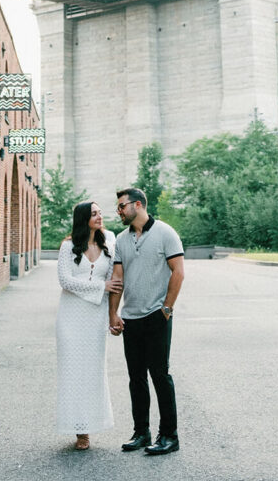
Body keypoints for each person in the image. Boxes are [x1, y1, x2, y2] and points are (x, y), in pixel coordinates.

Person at [108, 187, 184, 456]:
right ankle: (142, 432)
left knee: (160, 376)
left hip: (156, 316)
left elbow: (178, 272)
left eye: (121, 206)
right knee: (136, 378)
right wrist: (113, 314)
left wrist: (166, 308)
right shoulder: (121, 239)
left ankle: (169, 436)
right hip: (131, 319)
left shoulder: (165, 232)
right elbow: (117, 281)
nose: (118, 211)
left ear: (137, 205)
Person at [56, 200, 122, 451]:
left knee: (93, 372)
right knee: (72, 373)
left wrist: (111, 315)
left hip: (95, 316)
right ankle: (79, 431)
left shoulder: (109, 242)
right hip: (70, 318)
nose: (99, 216)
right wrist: (99, 287)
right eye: (94, 214)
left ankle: (93, 422)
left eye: (100, 213)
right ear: (83, 218)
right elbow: (65, 281)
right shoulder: (68, 246)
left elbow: (113, 281)